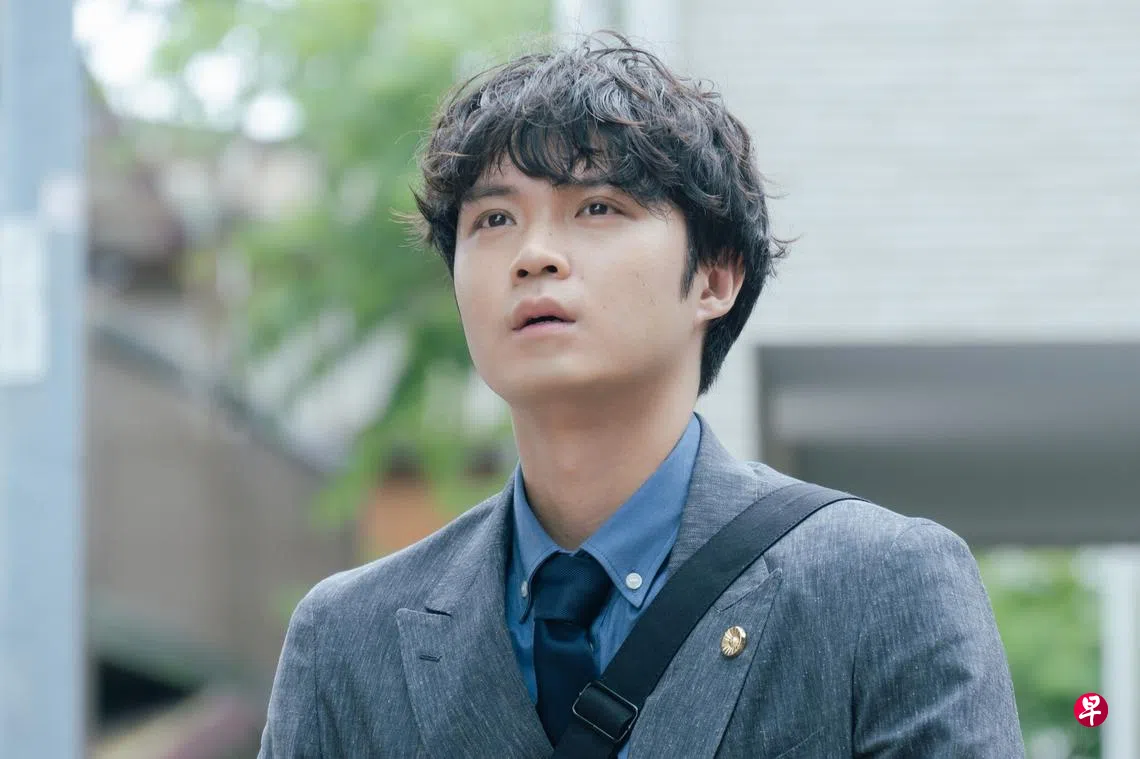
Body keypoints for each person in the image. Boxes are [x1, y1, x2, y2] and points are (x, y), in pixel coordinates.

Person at [258, 33, 1024, 758]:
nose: (533, 255)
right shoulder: (346, 638)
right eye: (494, 218)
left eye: (598, 208)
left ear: (715, 276)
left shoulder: (881, 581)